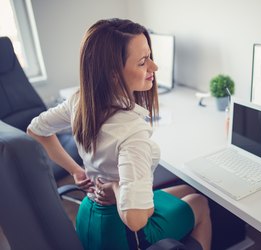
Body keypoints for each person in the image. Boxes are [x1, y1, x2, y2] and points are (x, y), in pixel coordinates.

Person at [27, 18, 212, 250]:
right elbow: (135, 220)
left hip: (88, 214)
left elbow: (36, 130)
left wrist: (76, 171)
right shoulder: (131, 133)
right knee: (200, 202)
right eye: (143, 62)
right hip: (122, 231)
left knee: (186, 190)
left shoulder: (81, 100)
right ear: (114, 74)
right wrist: (115, 187)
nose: (154, 68)